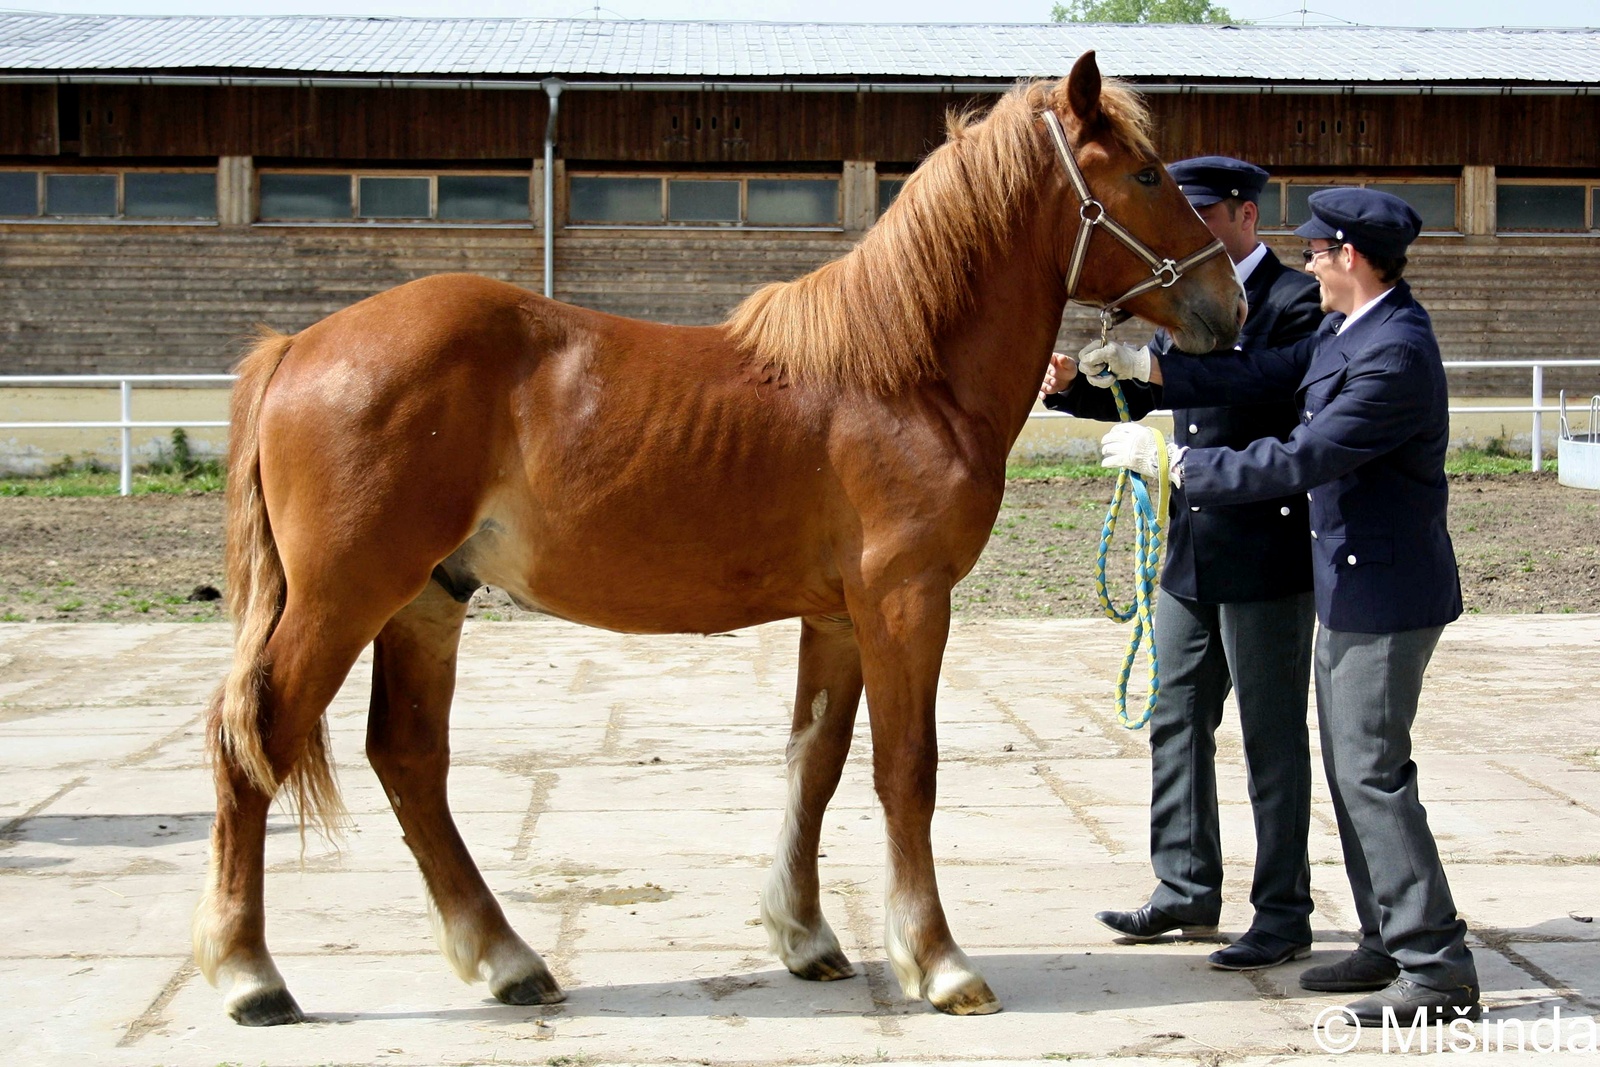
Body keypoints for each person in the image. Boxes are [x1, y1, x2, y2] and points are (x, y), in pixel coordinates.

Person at [1085, 187, 1480, 1024]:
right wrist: (1148, 370)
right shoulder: (1353, 329)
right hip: (1352, 581)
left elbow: (1308, 453)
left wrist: (1183, 469)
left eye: (1318, 251)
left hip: (1385, 588)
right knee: (1353, 771)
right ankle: (1385, 938)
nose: (1308, 263)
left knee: (1372, 774)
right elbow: (1257, 370)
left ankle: (1437, 967)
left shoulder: (1395, 352)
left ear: (1353, 259)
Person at [1039, 156, 1324, 972]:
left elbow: (1261, 377)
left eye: (1201, 215)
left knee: (1272, 739)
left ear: (1241, 215)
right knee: (1176, 717)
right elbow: (1166, 393)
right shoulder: (1188, 296)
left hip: (1265, 550)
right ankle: (1185, 886)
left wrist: (1159, 369)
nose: (1188, 230)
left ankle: (1283, 910)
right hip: (1191, 545)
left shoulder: (1294, 302)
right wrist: (1079, 390)